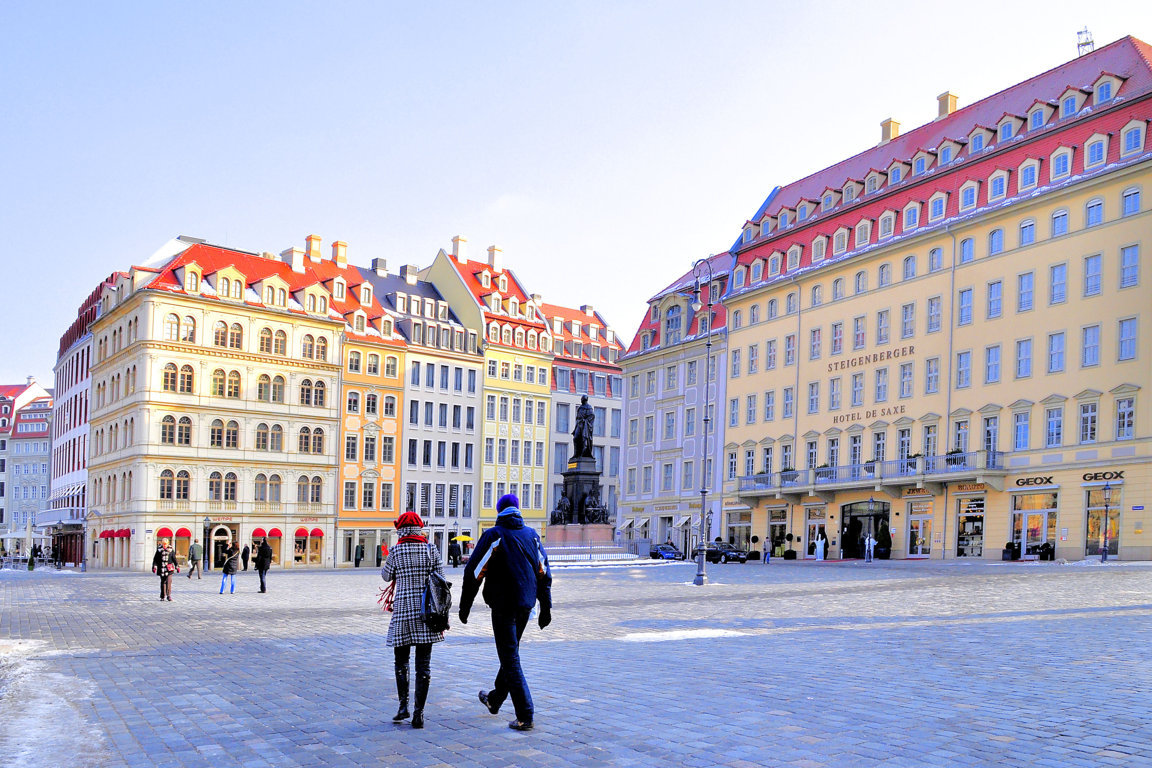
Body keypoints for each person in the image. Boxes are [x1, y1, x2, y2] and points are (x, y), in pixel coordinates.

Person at [459, 493, 552, 732]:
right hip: (526, 604)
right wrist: (545, 607)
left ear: (499, 511)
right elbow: (544, 573)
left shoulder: (494, 535)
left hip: (503, 605)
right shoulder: (531, 535)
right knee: (511, 654)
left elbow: (474, 572)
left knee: (510, 658)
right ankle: (495, 698)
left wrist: (464, 607)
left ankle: (525, 714)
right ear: (518, 510)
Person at [381, 512, 445, 729]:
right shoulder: (430, 549)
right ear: (419, 528)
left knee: (401, 662)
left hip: (402, 613)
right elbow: (441, 579)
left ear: (401, 529)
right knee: (423, 666)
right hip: (427, 614)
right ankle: (419, 713)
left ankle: (403, 706)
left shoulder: (396, 550)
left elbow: (386, 576)